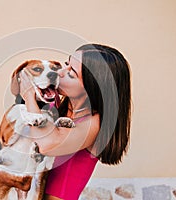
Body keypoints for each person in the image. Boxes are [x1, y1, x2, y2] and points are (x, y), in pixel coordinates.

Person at [18, 44, 132, 200]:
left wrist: (29, 98)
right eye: (67, 64)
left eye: (71, 74)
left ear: (92, 88)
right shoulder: (56, 109)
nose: (59, 73)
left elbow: (46, 145)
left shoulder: (94, 124)